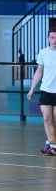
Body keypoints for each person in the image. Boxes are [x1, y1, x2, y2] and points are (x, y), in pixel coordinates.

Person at [27, 27, 56, 156]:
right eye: (52, 37)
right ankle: (52, 144)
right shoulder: (43, 53)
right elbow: (39, 71)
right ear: (48, 38)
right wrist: (32, 89)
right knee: (46, 118)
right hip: (45, 90)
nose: (55, 40)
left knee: (55, 118)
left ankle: (49, 144)